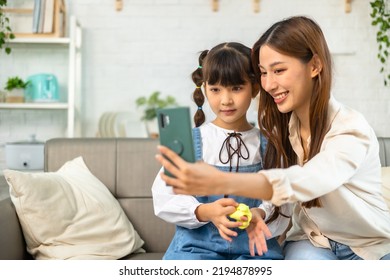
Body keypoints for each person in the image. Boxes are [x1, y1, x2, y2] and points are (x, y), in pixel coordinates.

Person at [155, 16, 390, 260]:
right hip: (306, 242)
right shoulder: (283, 129)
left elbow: (308, 181)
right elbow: (165, 196)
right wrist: (211, 210)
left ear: (314, 66)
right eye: (264, 73)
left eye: (278, 70)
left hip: (367, 245)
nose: (269, 84)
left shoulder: (348, 128)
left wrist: (225, 184)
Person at [152, 42, 292, 260]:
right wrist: (206, 212)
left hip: (254, 250)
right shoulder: (190, 140)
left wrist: (260, 213)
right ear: (205, 88)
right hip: (195, 249)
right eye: (215, 89)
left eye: (236, 88)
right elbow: (164, 197)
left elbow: (283, 198)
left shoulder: (268, 143)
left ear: (255, 87)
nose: (225, 100)